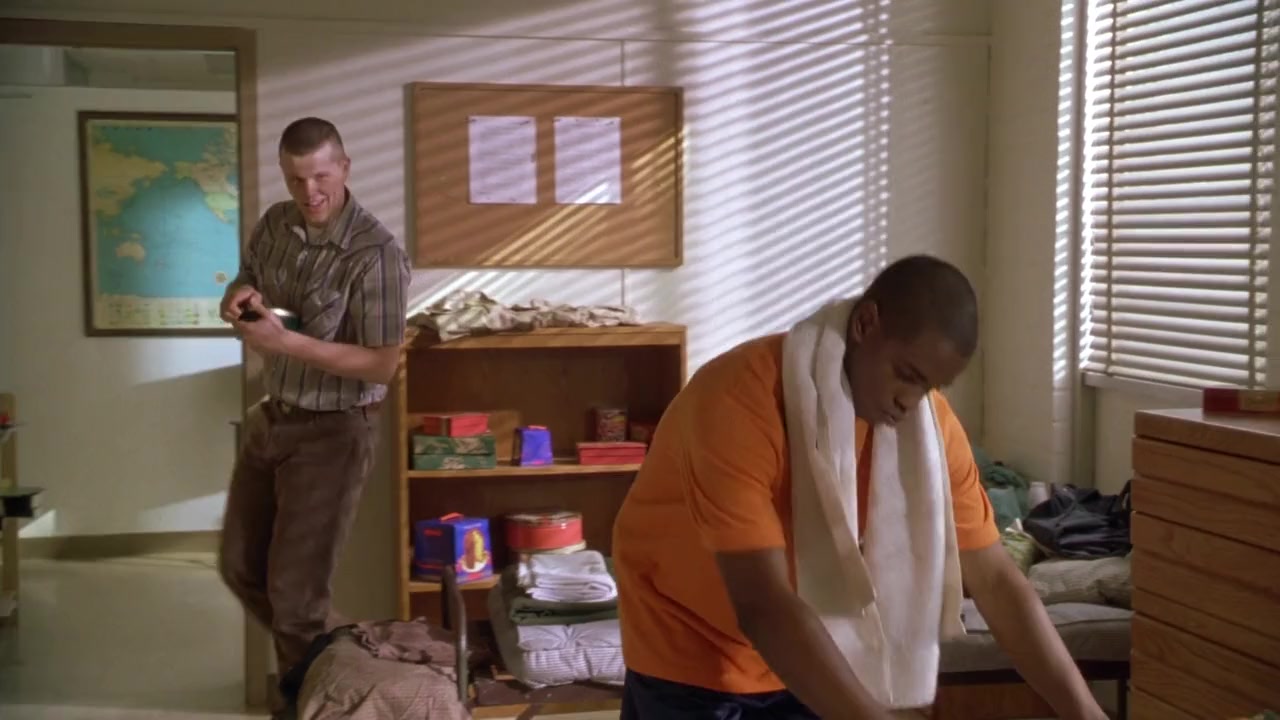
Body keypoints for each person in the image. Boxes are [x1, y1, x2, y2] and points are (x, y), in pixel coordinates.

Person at [611, 255, 1108, 720]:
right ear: (866, 324)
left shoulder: (931, 430)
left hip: (818, 646)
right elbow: (762, 604)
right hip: (689, 646)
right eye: (906, 375)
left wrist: (1088, 714)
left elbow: (996, 582)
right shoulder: (737, 401)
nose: (910, 402)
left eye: (929, 387)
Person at [216, 117, 411, 680]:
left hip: (335, 431)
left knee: (297, 600)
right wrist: (238, 295)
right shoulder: (276, 223)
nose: (310, 192)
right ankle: (350, 665)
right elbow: (248, 275)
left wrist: (287, 344)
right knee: (240, 568)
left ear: (344, 168)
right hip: (272, 417)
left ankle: (314, 701)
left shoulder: (376, 253)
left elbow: (383, 363)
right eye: (296, 179)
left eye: (321, 176)